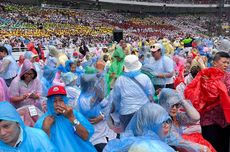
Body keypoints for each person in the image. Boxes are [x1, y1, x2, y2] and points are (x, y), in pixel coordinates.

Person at [184, 51, 230, 152]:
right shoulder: (204, 74)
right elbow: (210, 93)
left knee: (224, 146)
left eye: (228, 63)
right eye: (224, 62)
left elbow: (223, 91)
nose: (226, 65)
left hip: (224, 119)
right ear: (215, 63)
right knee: (210, 146)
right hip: (208, 118)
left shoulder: (228, 77)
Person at [35, 85, 97, 152]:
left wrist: (72, 118)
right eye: (54, 101)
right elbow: (40, 147)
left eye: (61, 100)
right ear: (49, 103)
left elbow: (86, 136)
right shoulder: (43, 121)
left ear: (65, 101)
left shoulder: (73, 114)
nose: (58, 104)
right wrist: (46, 129)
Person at [103, 103, 175, 152]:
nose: (167, 126)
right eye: (162, 122)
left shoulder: (135, 142)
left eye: (167, 121)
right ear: (149, 123)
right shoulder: (143, 147)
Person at [109, 55, 154, 130]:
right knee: (143, 136)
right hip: (143, 112)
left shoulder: (120, 80)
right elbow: (150, 94)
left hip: (126, 113)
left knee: (128, 137)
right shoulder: (145, 77)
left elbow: (116, 98)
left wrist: (116, 112)